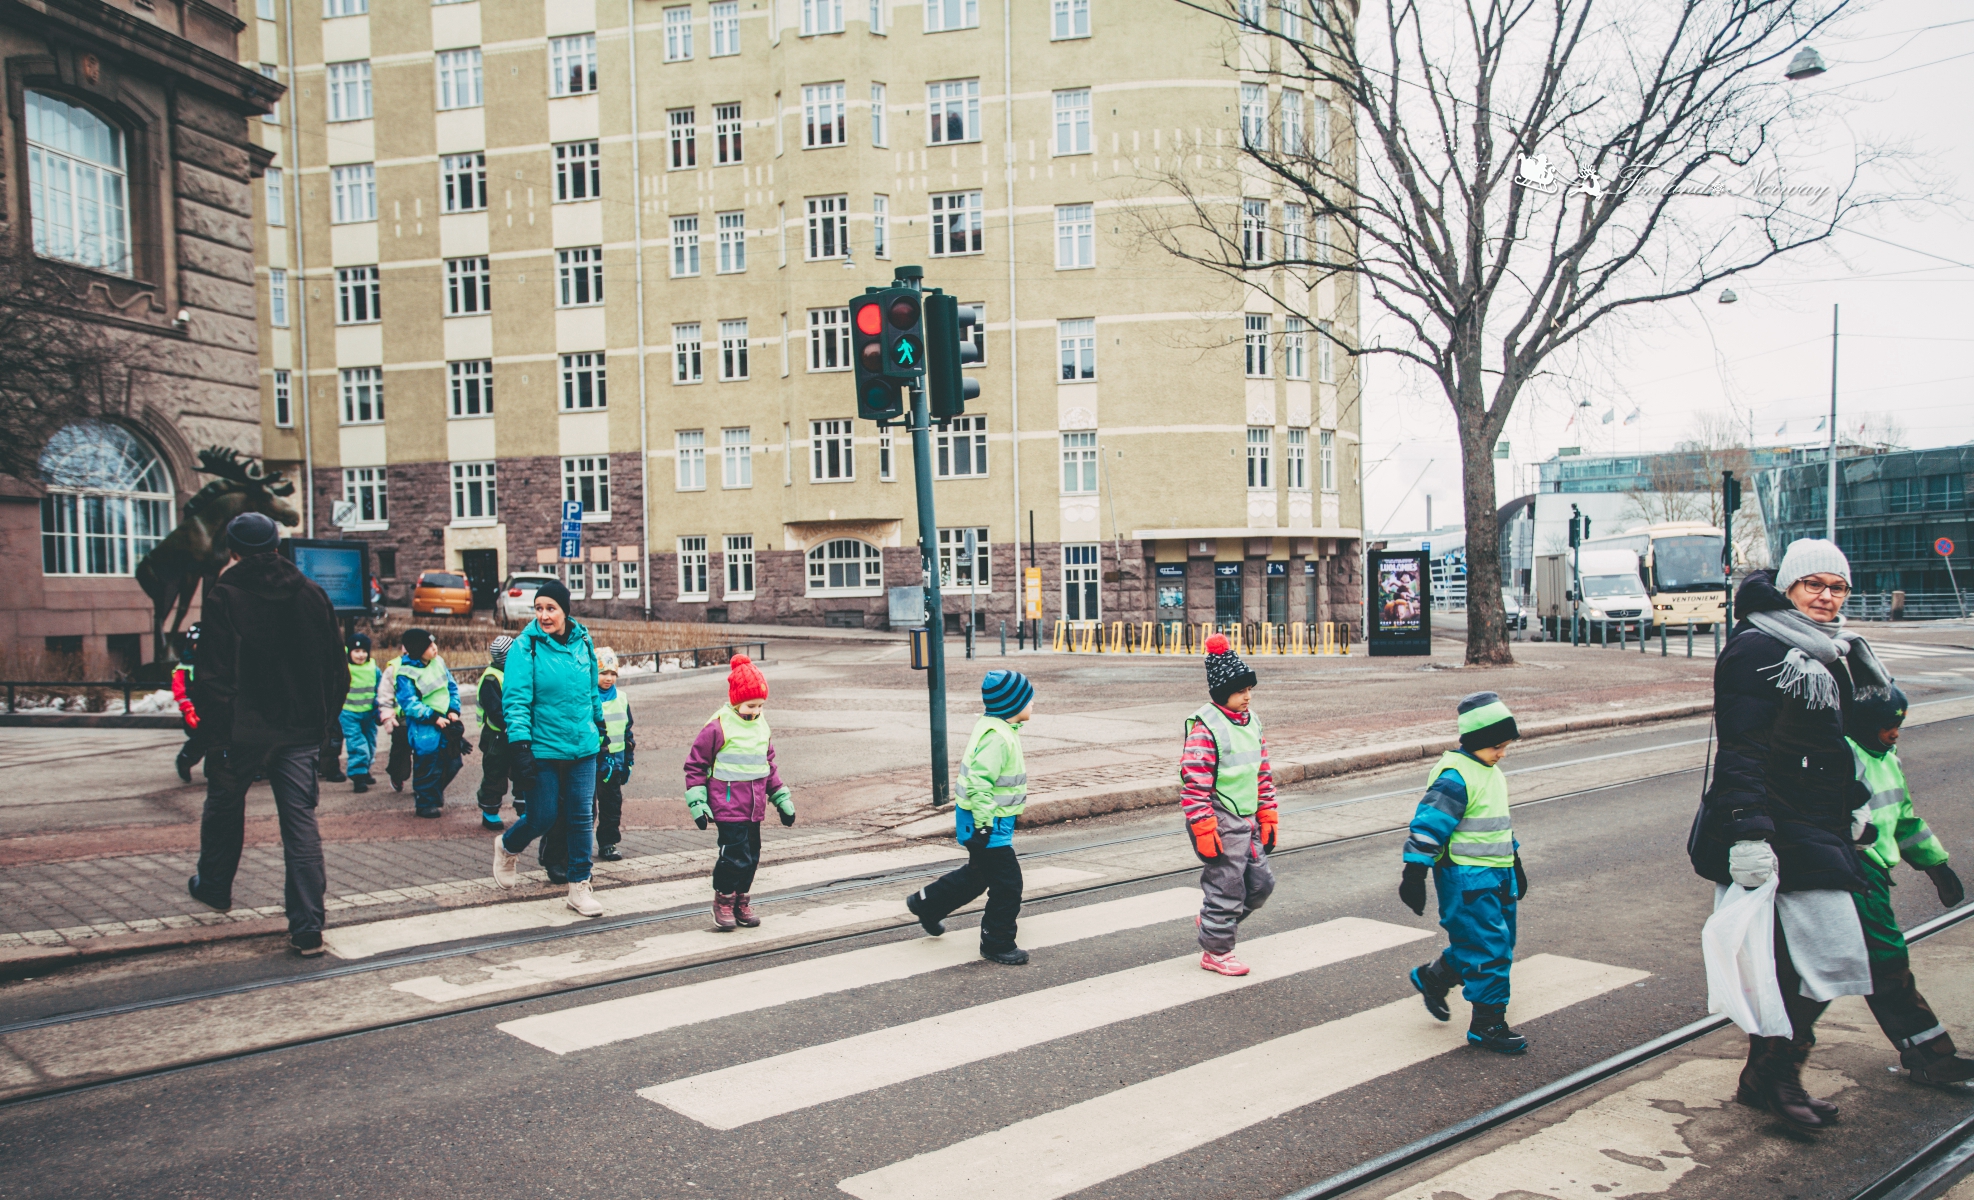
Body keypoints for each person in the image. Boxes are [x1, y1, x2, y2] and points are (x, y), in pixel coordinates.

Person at [1694, 539, 1889, 1130]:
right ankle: (1777, 1077)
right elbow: (1743, 751)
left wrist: (1849, 807)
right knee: (1803, 964)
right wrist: (1750, 836)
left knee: (1815, 963)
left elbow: (1823, 748)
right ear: (1789, 589)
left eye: (1838, 587)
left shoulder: (1826, 651)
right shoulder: (1759, 648)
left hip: (1816, 823)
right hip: (1776, 826)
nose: (1828, 597)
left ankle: (1767, 1074)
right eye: (1815, 586)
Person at [186, 512, 348, 957]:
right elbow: (337, 669)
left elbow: (213, 676)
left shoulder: (225, 594)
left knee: (223, 804)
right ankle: (308, 927)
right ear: (277, 545)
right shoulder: (312, 594)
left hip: (242, 731)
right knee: (300, 823)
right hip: (298, 730)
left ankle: (215, 886)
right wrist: (323, 723)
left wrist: (216, 737)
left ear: (233, 551)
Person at [1845, 685, 1974, 1086]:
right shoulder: (1844, 755)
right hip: (1855, 871)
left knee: (1842, 969)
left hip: (1873, 872)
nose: (1895, 734)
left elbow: (1903, 820)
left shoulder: (1888, 759)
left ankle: (1772, 1067)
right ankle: (1932, 1057)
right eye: (1887, 727)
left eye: (1899, 726)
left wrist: (1936, 866)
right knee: (1885, 961)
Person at [1399, 691, 1529, 1054]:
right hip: (1466, 880)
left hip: (1498, 876)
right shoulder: (1455, 776)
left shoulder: (1490, 771)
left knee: (1493, 945)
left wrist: (1515, 862)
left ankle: (1433, 978)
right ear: (1476, 742)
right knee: (1490, 950)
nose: (1502, 753)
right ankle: (1487, 1025)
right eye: (1496, 746)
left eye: (1505, 746)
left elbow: (1496, 826)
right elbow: (1429, 826)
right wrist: (1414, 872)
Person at [491, 580, 606, 917]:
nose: (543, 615)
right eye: (538, 608)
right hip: (542, 747)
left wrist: (601, 729)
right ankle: (507, 846)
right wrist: (520, 747)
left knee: (581, 816)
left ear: (565, 611)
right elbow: (515, 701)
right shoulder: (525, 648)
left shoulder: (583, 640)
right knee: (542, 816)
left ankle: (579, 887)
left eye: (550, 608)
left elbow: (591, 690)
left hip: (582, 746)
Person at [904, 670, 1032, 965]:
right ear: (1013, 705)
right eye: (1028, 699)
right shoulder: (998, 738)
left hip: (985, 823)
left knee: (978, 876)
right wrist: (986, 826)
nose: (1032, 704)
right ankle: (997, 941)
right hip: (987, 826)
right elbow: (978, 783)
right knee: (1008, 885)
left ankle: (927, 903)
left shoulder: (997, 728)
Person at [1180, 634, 1279, 978]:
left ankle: (1212, 922)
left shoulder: (1252, 722)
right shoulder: (1206, 728)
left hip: (1248, 816)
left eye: (1249, 689)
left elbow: (1262, 772)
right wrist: (1203, 826)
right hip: (1219, 817)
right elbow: (1194, 784)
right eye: (1240, 691)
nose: (1247, 696)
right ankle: (1217, 951)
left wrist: (1268, 813)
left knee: (1261, 884)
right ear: (1223, 693)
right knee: (1227, 885)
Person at [683, 654, 790, 930]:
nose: (755, 711)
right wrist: (698, 802)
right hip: (727, 805)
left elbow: (768, 765)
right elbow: (696, 764)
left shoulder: (761, 725)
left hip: (754, 808)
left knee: (752, 855)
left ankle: (741, 898)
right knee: (733, 855)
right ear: (735, 700)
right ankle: (723, 899)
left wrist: (781, 798)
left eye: (760, 705)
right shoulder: (717, 727)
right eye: (750, 705)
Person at [395, 628, 464, 818]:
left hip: (446, 722)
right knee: (427, 763)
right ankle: (425, 802)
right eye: (429, 645)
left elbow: (451, 686)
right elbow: (409, 703)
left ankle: (433, 793)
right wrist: (433, 717)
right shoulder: (406, 673)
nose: (435, 648)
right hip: (425, 726)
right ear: (418, 650)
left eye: (434, 643)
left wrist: (453, 709)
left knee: (453, 762)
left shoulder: (438, 662)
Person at [594, 647, 635, 862]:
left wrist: (628, 757)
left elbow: (627, 728)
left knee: (611, 805)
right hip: (593, 762)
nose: (609, 678)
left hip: (615, 763)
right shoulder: (589, 698)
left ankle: (608, 843)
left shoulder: (622, 697)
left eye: (612, 673)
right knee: (586, 808)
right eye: (603, 673)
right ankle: (578, 844)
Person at [475, 634, 515, 831]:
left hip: (516, 732)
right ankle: (489, 809)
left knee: (522, 770)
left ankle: (525, 808)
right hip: (497, 735)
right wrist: (508, 724)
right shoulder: (492, 677)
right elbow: (494, 708)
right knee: (495, 772)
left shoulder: (515, 672)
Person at [340, 633, 380, 793]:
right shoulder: (344, 668)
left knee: (370, 742)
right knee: (357, 744)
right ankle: (358, 776)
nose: (361, 655)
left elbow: (381, 688)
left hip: (369, 713)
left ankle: (365, 769)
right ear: (349, 652)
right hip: (349, 713)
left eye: (364, 651)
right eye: (356, 651)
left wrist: (380, 706)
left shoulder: (373, 669)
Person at [171, 623, 205, 782]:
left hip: (212, 706)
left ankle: (215, 769)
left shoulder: (214, 661)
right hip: (194, 709)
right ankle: (184, 760)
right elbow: (180, 690)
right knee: (200, 739)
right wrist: (188, 708)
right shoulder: (185, 666)